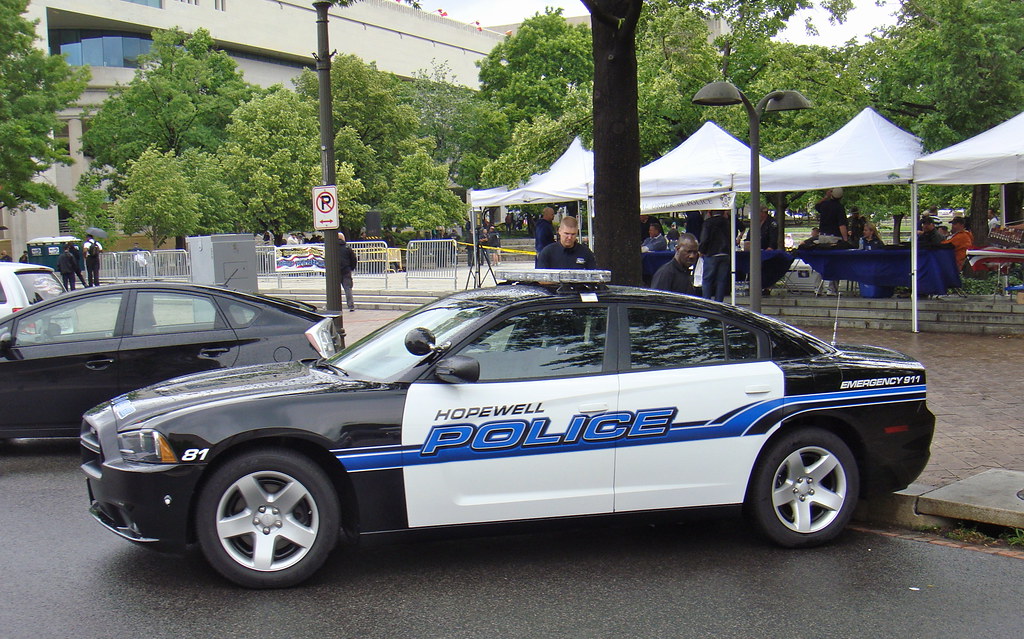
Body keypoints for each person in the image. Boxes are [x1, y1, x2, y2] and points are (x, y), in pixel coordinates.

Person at [698, 209, 731, 302]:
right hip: (725, 253)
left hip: (712, 253)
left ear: (709, 213)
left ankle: (707, 302)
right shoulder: (727, 222)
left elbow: (705, 238)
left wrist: (701, 250)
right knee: (721, 281)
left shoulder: (708, 223)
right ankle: (719, 303)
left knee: (707, 280)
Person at [337, 232, 358, 312]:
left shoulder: (332, 247)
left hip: (335, 272)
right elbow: (353, 259)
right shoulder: (347, 248)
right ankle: (351, 306)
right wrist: (351, 268)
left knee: (334, 289)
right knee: (348, 289)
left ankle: (332, 305)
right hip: (346, 271)